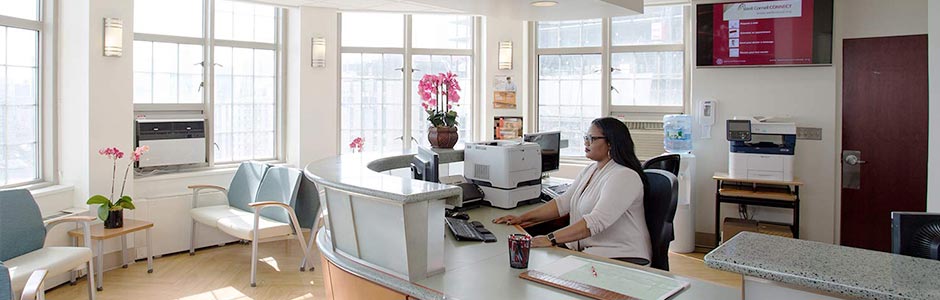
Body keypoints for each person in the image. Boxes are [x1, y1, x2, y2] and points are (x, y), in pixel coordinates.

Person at [493, 117, 652, 263]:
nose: (586, 143)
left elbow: (595, 221)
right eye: (586, 138)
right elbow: (562, 203)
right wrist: (521, 218)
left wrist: (551, 238)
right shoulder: (591, 170)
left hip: (622, 258)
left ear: (611, 143)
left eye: (592, 139)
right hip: (591, 253)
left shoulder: (624, 176)